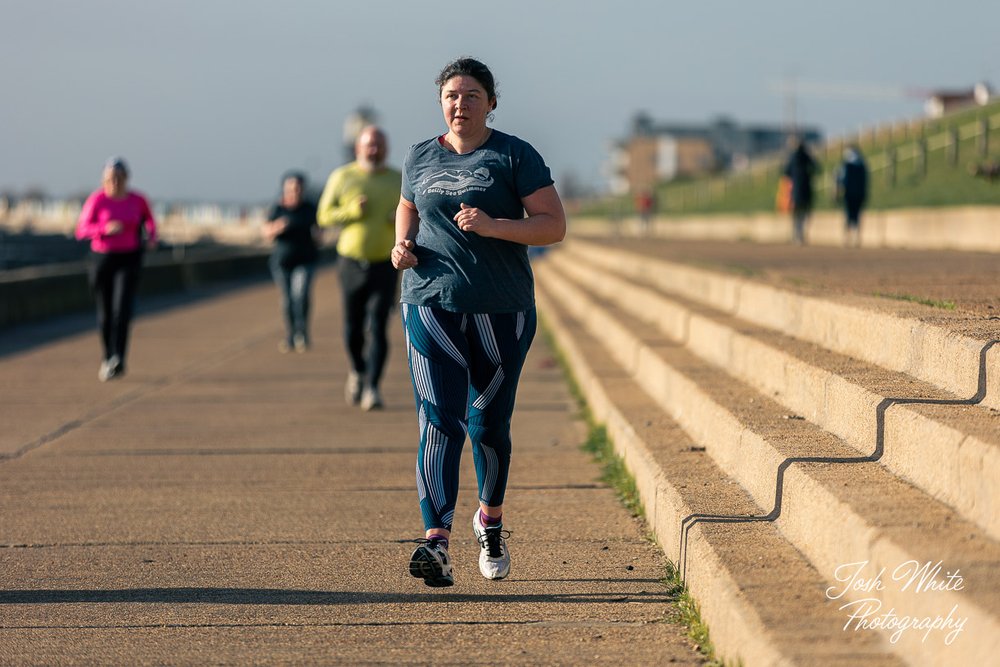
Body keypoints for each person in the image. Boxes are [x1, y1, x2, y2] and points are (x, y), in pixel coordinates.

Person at [392, 57, 566, 587]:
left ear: (490, 102)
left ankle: (489, 520)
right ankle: (436, 542)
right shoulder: (420, 156)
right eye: (451, 96)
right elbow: (408, 207)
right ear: (440, 103)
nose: (459, 105)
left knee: (487, 423)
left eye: (471, 96)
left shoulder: (515, 155)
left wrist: (495, 226)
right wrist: (400, 245)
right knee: (438, 418)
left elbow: (553, 226)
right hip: (429, 303)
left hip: (502, 308)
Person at [318, 127, 402, 411]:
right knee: (352, 328)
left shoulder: (396, 179)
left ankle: (373, 388)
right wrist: (351, 212)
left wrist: (399, 218)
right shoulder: (342, 177)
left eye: (379, 145)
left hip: (385, 262)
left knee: (379, 327)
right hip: (350, 262)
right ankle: (357, 370)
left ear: (386, 148)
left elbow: (413, 211)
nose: (374, 150)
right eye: (369, 145)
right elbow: (324, 215)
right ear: (358, 148)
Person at [75, 157, 157, 381]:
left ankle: (119, 357)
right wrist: (104, 228)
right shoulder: (96, 200)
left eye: (119, 178)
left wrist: (151, 237)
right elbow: (81, 230)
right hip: (102, 258)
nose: (115, 183)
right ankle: (107, 356)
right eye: (110, 179)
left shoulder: (138, 199)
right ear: (104, 180)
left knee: (122, 310)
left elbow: (150, 221)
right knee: (105, 313)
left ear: (126, 178)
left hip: (128, 258)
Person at [263, 171, 320, 352]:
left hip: (305, 260)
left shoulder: (310, 208)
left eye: (298, 188)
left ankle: (302, 333)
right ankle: (290, 335)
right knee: (287, 300)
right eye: (291, 188)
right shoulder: (276, 209)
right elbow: (266, 233)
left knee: (301, 295)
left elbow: (320, 231)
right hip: (282, 262)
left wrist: (319, 235)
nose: (295, 191)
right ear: (284, 189)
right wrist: (277, 227)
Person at [783, 139, 819, 245]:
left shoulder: (793, 158)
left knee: (796, 214)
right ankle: (802, 235)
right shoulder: (808, 158)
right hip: (807, 190)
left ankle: (796, 235)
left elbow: (785, 172)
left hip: (796, 191)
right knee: (805, 214)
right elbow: (817, 168)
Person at [836, 145, 869, 248]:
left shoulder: (846, 165)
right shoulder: (862, 165)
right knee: (856, 216)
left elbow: (840, 179)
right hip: (859, 195)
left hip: (849, 195)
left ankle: (847, 239)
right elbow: (865, 182)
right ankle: (855, 238)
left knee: (849, 216)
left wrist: (837, 192)